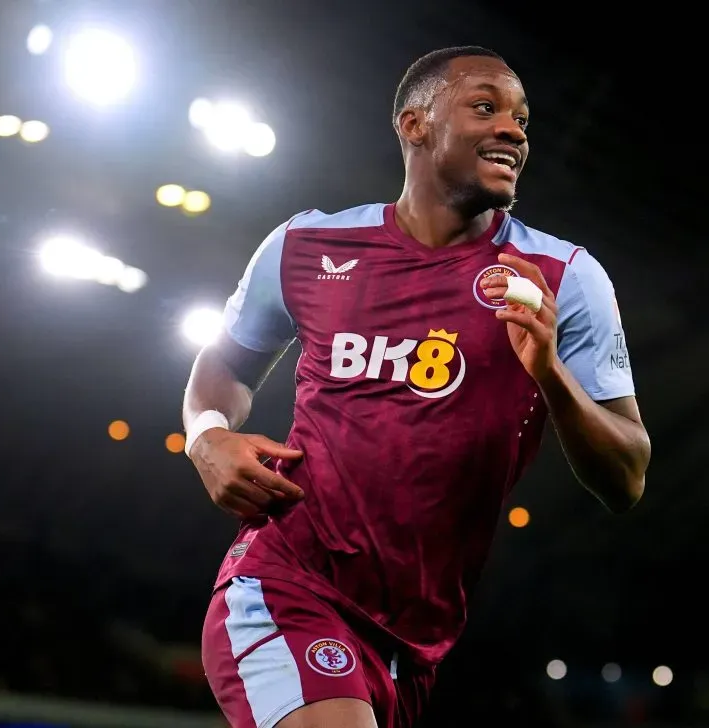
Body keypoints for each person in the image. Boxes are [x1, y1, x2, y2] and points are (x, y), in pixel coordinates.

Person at [182, 46, 651, 728]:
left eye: (522, 119)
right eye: (486, 107)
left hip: (414, 640)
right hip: (287, 583)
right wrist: (208, 438)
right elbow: (221, 371)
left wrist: (548, 372)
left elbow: (627, 477)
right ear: (416, 124)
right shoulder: (305, 247)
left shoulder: (564, 277)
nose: (515, 132)